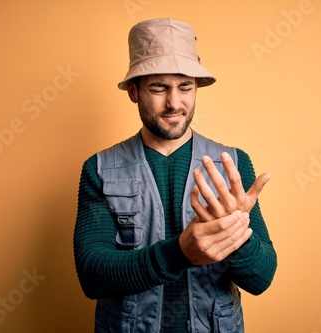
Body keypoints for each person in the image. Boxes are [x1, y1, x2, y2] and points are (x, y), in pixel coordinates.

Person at [74, 17, 277, 333]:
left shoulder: (235, 165)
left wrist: (235, 238)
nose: (174, 103)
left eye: (185, 87)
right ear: (133, 90)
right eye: (158, 88)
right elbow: (91, 275)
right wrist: (180, 252)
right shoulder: (99, 168)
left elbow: (261, 280)